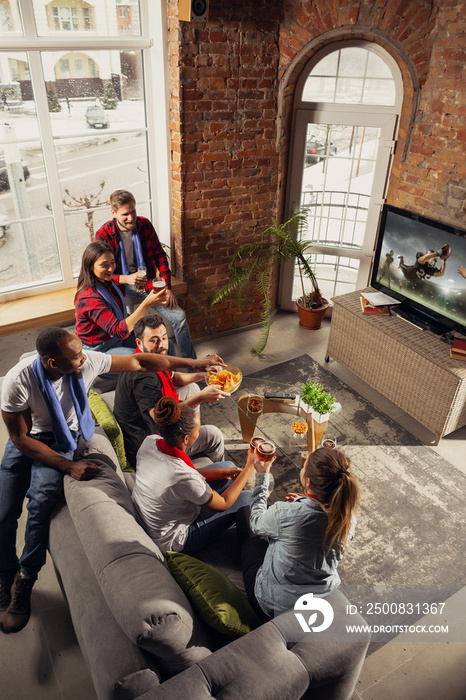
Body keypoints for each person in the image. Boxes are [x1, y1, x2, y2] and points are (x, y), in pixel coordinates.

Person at [0, 327, 223, 634]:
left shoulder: (86, 361)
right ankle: (5, 573)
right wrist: (69, 466)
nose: (84, 359)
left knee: (39, 504)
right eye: (75, 356)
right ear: (52, 363)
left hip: (64, 437)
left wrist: (195, 364)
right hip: (29, 438)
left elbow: (142, 362)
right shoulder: (17, 382)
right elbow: (21, 439)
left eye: (81, 352)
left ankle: (25, 578)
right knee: (3, 512)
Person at [239, 446, 360, 619]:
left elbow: (256, 523)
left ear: (308, 482)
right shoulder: (348, 517)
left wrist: (262, 476)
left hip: (273, 605)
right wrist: (305, 502)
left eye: (304, 467)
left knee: (245, 514)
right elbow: (317, 529)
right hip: (321, 595)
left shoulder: (286, 513)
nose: (302, 468)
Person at [132, 396, 254, 555]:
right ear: (187, 438)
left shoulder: (150, 442)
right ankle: (250, 549)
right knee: (248, 497)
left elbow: (183, 478)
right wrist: (250, 466)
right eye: (198, 427)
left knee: (228, 467)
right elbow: (223, 503)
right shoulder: (181, 476)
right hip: (173, 540)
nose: (201, 429)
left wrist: (224, 473)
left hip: (155, 515)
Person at [114, 313, 227, 468]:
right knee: (214, 435)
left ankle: (189, 430)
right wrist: (201, 397)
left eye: (164, 338)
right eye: (154, 340)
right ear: (139, 343)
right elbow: (163, 419)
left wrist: (204, 375)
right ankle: (219, 475)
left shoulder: (147, 359)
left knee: (192, 388)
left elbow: (173, 377)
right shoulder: (143, 378)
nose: (161, 345)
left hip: (153, 418)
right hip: (148, 445)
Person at [96, 189, 196, 359]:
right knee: (125, 327)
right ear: (113, 213)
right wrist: (125, 278)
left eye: (133, 211)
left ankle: (190, 368)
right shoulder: (104, 234)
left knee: (179, 317)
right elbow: (99, 273)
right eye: (125, 214)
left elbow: (160, 255)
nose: (131, 217)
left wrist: (167, 286)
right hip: (120, 288)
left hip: (148, 283)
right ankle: (141, 369)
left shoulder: (144, 225)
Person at [74, 241, 168, 356]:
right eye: (104, 265)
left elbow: (115, 278)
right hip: (99, 350)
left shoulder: (106, 281)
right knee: (145, 359)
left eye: (112, 263)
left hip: (118, 339)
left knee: (164, 346)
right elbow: (119, 331)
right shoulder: (88, 298)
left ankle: (171, 374)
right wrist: (147, 303)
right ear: (90, 266)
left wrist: (127, 278)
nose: (110, 269)